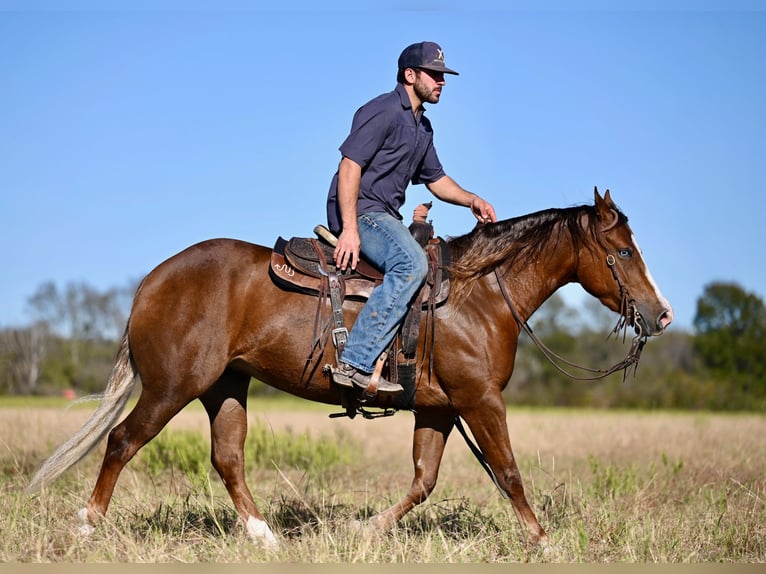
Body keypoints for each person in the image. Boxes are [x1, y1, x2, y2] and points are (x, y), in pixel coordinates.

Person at [326, 41, 497, 394]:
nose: (442, 81)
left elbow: (436, 180)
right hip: (363, 210)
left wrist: (472, 200)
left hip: (384, 215)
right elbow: (349, 165)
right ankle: (354, 363)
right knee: (411, 264)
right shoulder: (384, 110)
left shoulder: (423, 127)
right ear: (410, 74)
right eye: (434, 74)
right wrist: (350, 229)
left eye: (443, 76)